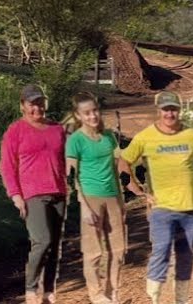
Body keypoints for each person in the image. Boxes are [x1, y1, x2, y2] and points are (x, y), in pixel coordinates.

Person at [119, 92, 193, 304]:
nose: (170, 113)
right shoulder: (145, 137)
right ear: (158, 110)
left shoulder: (192, 135)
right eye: (165, 109)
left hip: (190, 208)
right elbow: (123, 161)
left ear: (179, 110)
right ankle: (155, 298)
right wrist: (137, 189)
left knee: (186, 255)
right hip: (161, 208)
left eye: (173, 109)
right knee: (162, 251)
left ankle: (182, 300)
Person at [0, 84, 68, 304]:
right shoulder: (15, 131)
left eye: (40, 102)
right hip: (32, 193)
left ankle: (48, 291)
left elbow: (65, 159)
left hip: (58, 191)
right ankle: (30, 289)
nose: (37, 108)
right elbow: (7, 166)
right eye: (32, 104)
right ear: (23, 106)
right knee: (42, 240)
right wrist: (15, 195)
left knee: (54, 244)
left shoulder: (57, 129)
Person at [65, 92, 126, 304]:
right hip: (90, 197)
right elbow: (72, 175)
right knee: (93, 252)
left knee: (118, 249)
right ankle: (97, 295)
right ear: (78, 115)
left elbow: (116, 168)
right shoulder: (75, 140)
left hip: (112, 197)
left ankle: (113, 291)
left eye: (95, 111)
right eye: (87, 113)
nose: (93, 116)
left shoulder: (109, 136)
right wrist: (83, 206)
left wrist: (121, 200)